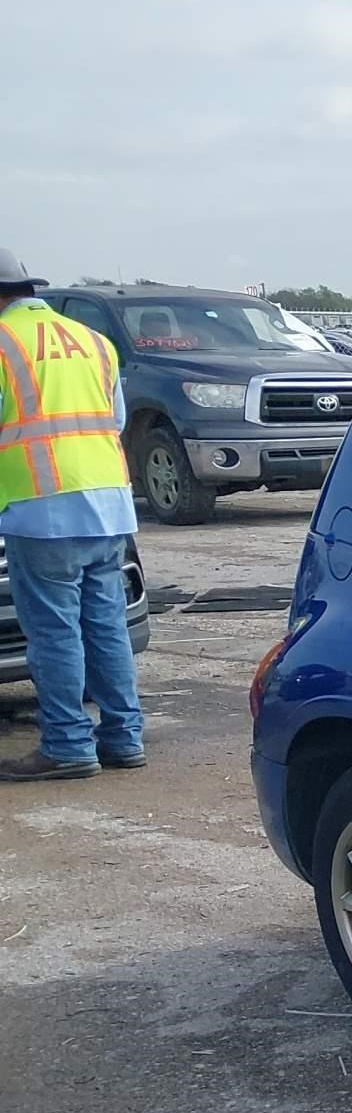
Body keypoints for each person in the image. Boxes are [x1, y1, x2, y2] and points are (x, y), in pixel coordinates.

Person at [0, 248, 145, 781]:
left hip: (41, 508)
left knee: (55, 632)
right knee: (105, 624)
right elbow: (115, 418)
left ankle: (66, 744)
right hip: (107, 503)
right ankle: (123, 736)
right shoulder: (93, 341)